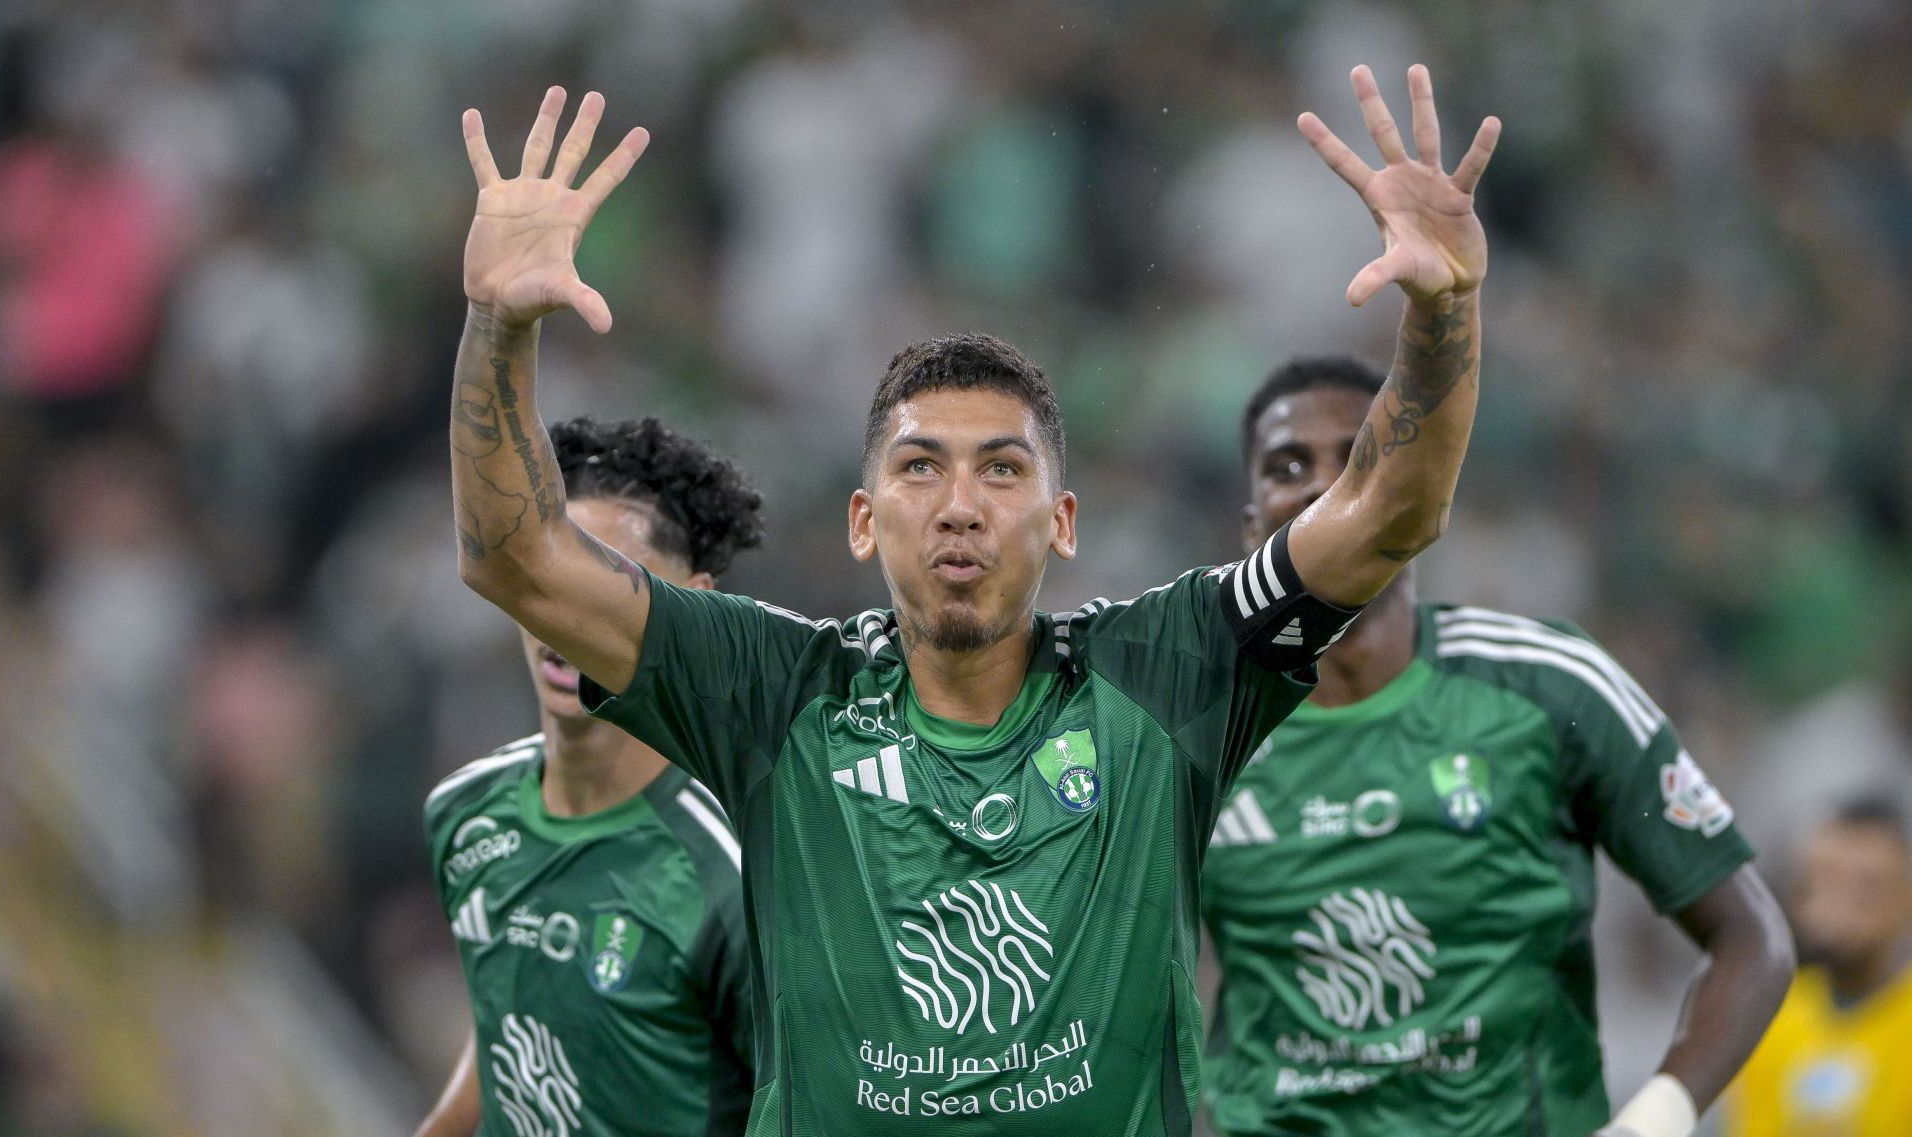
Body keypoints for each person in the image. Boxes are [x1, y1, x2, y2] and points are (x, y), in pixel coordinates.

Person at [449, 65, 1497, 1136]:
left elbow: (1388, 512)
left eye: (1002, 470)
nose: (960, 505)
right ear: (863, 521)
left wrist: (1445, 309)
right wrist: (497, 325)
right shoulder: (771, 693)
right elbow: (518, 561)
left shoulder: (1168, 668)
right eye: (919, 469)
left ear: (1065, 521)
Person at [1200, 356, 1795, 1137]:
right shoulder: (1191, 725)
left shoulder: (1549, 685)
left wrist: (1654, 1117)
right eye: (1288, 466)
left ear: (1413, 496)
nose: (1321, 487)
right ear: (1252, 526)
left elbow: (1751, 935)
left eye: (1355, 460)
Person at [417, 417, 763, 1137]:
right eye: (550, 577)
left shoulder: (737, 874)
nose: (566, 618)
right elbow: (507, 1025)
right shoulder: (465, 810)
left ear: (691, 607)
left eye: (607, 584)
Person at [1728, 796, 1912, 1137]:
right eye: (1822, 884)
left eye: (1865, 891)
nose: (1836, 913)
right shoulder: (1769, 1018)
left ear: (1904, 900)